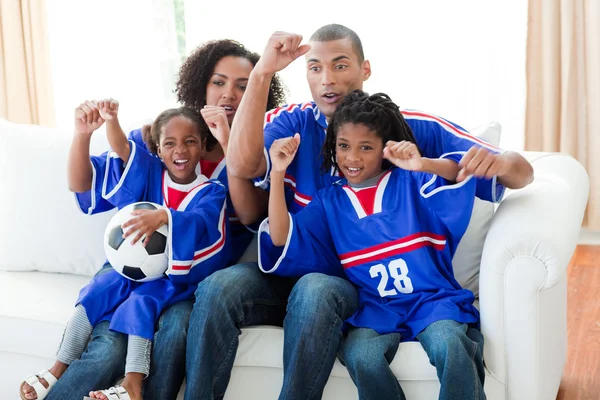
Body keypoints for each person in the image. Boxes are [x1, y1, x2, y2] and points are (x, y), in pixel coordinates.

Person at [215, 24, 534, 399]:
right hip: (367, 303)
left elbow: (499, 171)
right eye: (315, 67)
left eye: (340, 65)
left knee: (448, 343)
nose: (327, 79)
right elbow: (249, 180)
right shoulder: (321, 179)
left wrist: (436, 164)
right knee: (358, 350)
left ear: (365, 69)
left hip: (426, 298)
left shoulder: (411, 164)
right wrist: (262, 75)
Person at [35, 39, 287, 400]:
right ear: (200, 85)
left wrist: (228, 138)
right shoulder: (163, 137)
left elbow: (247, 214)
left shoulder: (257, 149)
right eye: (218, 82)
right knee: (107, 347)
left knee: (173, 332)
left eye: (243, 86)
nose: (228, 94)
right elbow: (86, 186)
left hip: (189, 277)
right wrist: (83, 134)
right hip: (133, 262)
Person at [260, 90, 485, 400]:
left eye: (365, 147)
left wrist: (422, 164)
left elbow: (458, 173)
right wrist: (278, 171)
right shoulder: (330, 202)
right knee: (362, 356)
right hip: (376, 308)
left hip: (432, 301)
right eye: (343, 146)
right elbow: (280, 237)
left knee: (450, 344)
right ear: (332, 147)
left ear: (384, 149)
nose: (352, 158)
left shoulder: (409, 181)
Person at [20, 102, 231, 400]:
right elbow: (124, 150)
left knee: (140, 302)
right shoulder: (151, 172)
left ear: (202, 146)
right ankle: (57, 367)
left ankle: (133, 383)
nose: (180, 151)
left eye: (190, 142)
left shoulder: (211, 190)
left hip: (172, 277)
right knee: (97, 290)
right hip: (132, 267)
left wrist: (165, 217)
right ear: (158, 149)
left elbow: (203, 223)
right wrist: (112, 120)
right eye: (169, 144)